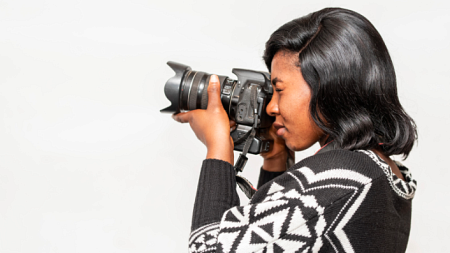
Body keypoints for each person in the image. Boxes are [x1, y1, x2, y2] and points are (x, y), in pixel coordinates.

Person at [173, 7, 417, 253]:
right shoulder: (373, 171)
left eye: (279, 90)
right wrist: (277, 159)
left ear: (326, 86)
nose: (271, 108)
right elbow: (278, 243)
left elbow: (208, 249)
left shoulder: (341, 178)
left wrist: (217, 146)